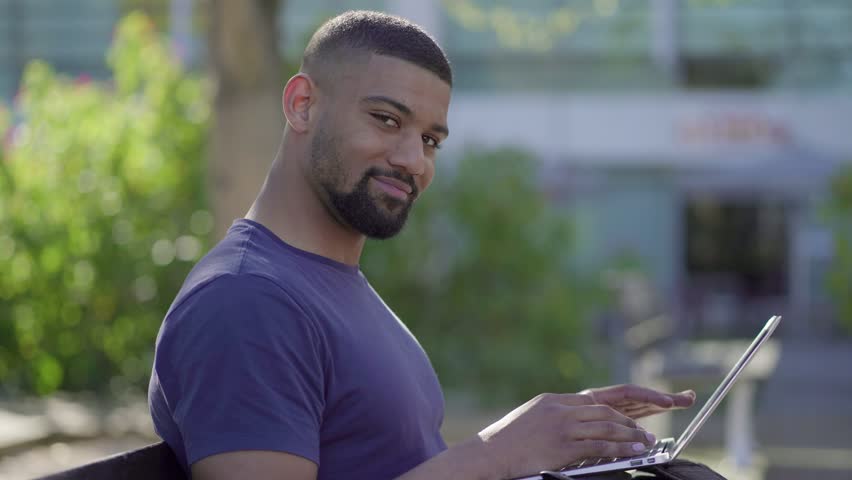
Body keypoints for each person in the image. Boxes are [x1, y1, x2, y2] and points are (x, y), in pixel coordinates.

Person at [147, 10, 695, 480]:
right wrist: (495, 456)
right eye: (386, 120)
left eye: (430, 140)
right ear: (302, 105)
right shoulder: (247, 301)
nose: (414, 160)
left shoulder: (326, 283)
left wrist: (544, 435)